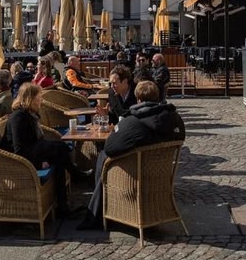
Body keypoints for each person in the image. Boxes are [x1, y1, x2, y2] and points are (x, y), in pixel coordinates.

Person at [78, 81, 186, 229]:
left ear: (138, 99)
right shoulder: (174, 118)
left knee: (103, 155)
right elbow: (180, 138)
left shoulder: (132, 122)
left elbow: (110, 147)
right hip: (161, 173)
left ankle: (100, 208)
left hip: (134, 174)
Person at [0, 83, 84, 217]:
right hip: (17, 162)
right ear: (30, 99)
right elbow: (18, 150)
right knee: (60, 148)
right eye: (38, 98)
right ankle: (76, 176)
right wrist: (38, 163)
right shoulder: (18, 117)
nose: (41, 101)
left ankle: (63, 206)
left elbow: (34, 142)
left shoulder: (29, 115)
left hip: (31, 151)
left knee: (59, 157)